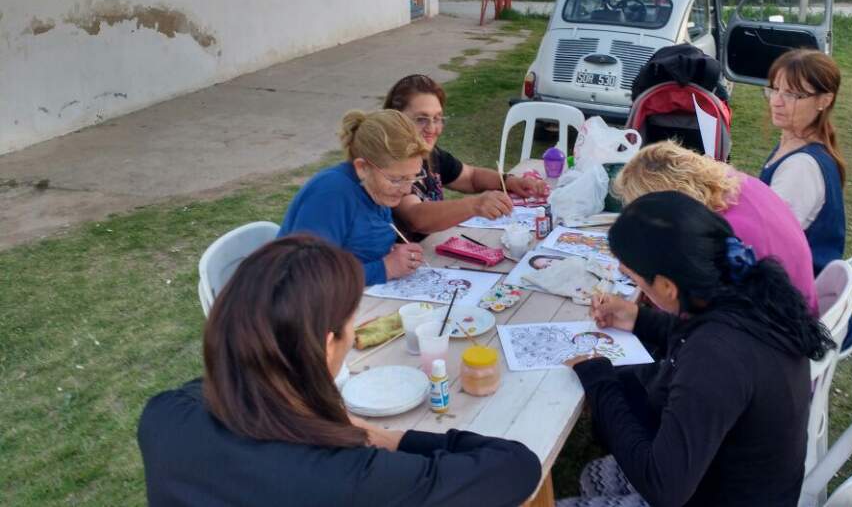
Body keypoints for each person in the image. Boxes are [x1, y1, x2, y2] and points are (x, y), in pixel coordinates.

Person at [137, 236, 542, 506]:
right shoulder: (350, 477)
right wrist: (382, 435)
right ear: (327, 344)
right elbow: (516, 466)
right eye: (352, 321)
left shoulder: (162, 417)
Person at [559, 192, 834, 507]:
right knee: (593, 474)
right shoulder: (744, 289)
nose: (635, 287)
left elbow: (663, 487)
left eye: (634, 279)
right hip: (735, 479)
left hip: (710, 492)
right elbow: (693, 334)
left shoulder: (716, 356)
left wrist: (600, 382)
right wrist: (637, 317)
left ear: (666, 287)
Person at [613, 140, 818, 315]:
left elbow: (691, 312)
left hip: (774, 333)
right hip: (791, 313)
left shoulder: (717, 237)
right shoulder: (736, 184)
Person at [384, 74, 548, 237]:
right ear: (394, 118)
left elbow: (470, 177)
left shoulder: (430, 154)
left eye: (438, 118)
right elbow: (415, 217)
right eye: (421, 119)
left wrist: (509, 181)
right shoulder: (389, 161)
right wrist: (474, 206)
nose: (432, 128)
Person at [277, 109, 427, 285]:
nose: (407, 189)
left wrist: (394, 254)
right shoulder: (330, 194)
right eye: (397, 179)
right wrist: (385, 268)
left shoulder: (376, 189)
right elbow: (306, 275)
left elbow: (359, 247)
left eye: (413, 177)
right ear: (362, 167)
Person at [759, 50, 846, 271]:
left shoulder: (801, 167)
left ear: (824, 101)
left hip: (791, 288)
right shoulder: (793, 145)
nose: (776, 102)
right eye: (775, 89)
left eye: (792, 95)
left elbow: (767, 242)